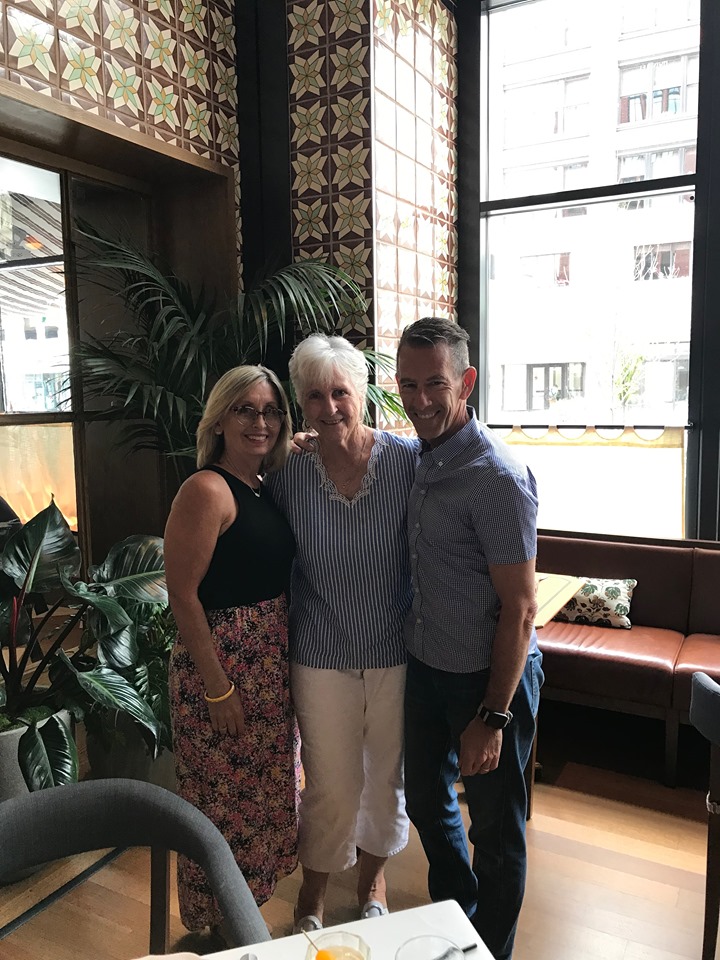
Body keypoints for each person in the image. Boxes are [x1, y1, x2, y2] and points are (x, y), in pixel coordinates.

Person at [395, 317, 543, 960]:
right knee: (426, 803)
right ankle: (460, 918)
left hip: (488, 680)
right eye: (407, 384)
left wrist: (494, 715)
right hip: (426, 668)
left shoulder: (498, 477)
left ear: (467, 381)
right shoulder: (418, 459)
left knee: (498, 834)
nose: (420, 399)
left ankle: (490, 951)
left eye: (436, 383)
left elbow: (522, 608)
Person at [266, 333, 417, 933]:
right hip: (320, 652)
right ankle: (313, 891)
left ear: (362, 393)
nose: (328, 407)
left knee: (385, 777)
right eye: (314, 396)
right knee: (328, 782)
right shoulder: (288, 473)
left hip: (394, 649)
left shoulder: (406, 462)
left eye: (340, 393)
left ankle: (373, 879)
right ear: (300, 404)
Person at [164, 365, 300, 938]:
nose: (259, 422)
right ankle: (219, 932)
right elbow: (182, 595)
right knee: (221, 805)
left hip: (266, 667)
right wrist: (218, 688)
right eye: (245, 409)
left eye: (271, 411)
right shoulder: (206, 489)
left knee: (260, 800)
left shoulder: (264, 486)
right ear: (219, 419)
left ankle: (244, 924)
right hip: (221, 672)